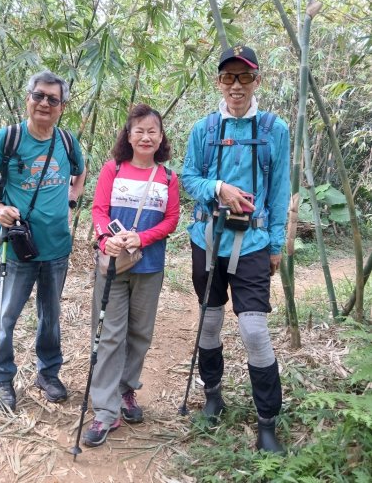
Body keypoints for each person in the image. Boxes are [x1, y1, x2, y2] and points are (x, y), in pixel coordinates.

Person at [182, 45, 290, 453]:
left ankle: (267, 421)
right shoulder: (204, 130)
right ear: (219, 82)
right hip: (207, 239)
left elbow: (279, 190)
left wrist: (277, 244)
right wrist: (218, 188)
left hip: (255, 243)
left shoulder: (275, 129)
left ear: (257, 80)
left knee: (254, 330)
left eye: (245, 77)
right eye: (229, 77)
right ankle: (213, 395)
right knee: (209, 323)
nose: (236, 85)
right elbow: (189, 177)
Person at [0, 70, 86, 412]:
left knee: (50, 315)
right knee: (6, 317)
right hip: (18, 247)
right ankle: (2, 378)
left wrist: (72, 198)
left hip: (57, 247)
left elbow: (81, 171)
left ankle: (48, 373)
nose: (44, 103)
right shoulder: (9, 138)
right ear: (28, 99)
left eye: (53, 99)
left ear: (62, 106)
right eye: (39, 96)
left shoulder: (66, 142)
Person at [83, 103, 180, 447]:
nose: (145, 136)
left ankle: (126, 391)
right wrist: (105, 238)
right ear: (128, 135)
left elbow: (171, 220)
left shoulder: (168, 177)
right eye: (138, 130)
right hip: (112, 265)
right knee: (110, 334)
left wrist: (142, 237)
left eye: (152, 130)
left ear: (161, 137)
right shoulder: (113, 169)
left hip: (149, 266)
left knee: (140, 333)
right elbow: (98, 210)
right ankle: (105, 411)